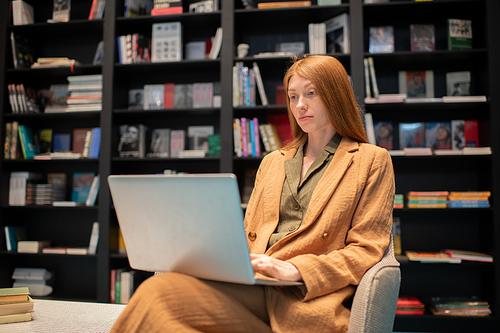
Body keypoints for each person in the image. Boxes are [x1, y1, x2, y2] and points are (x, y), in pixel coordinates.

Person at [110, 55, 395, 333]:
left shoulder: (371, 160)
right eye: (293, 96)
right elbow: (247, 233)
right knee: (162, 299)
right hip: (253, 281)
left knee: (162, 294)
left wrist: (296, 270)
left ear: (335, 95)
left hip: (304, 295)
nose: (300, 105)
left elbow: (366, 249)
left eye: (311, 93)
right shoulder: (273, 162)